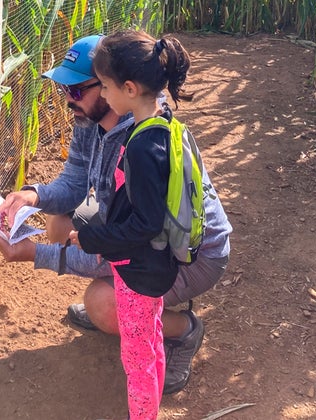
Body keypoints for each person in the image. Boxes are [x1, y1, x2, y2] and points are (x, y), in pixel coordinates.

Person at [0, 34, 232, 396]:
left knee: (101, 305)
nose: (69, 101)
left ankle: (182, 329)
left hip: (191, 258)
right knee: (60, 220)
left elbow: (126, 240)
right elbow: (75, 183)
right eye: (63, 91)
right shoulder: (92, 120)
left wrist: (34, 255)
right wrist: (32, 195)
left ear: (120, 89)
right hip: (143, 236)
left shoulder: (142, 148)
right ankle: (127, 305)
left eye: (77, 91)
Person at [68, 29, 207, 419]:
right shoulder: (162, 124)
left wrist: (94, 238)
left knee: (137, 359)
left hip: (139, 271)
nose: (106, 96)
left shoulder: (144, 147)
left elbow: (145, 223)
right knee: (150, 343)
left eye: (108, 87)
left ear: (129, 88)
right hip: (155, 265)